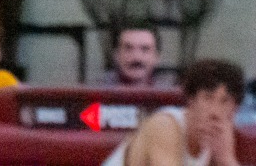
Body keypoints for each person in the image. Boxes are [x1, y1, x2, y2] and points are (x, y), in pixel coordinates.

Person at [103, 59, 242, 166]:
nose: (215, 111)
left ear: (235, 108)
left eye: (225, 101)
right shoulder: (165, 125)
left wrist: (227, 160)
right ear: (191, 100)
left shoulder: (219, 142)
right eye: (207, 98)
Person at [101, 26, 177, 89]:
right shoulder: (97, 95)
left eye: (145, 49)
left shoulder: (171, 99)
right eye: (128, 48)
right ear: (116, 55)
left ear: (157, 57)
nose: (136, 57)